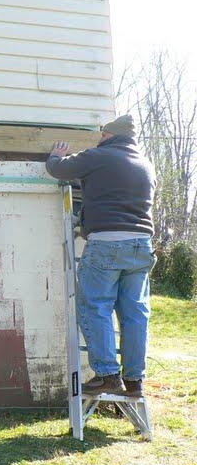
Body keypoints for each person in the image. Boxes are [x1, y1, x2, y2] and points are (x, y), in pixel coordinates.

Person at [46, 115, 156, 397]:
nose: (98, 138)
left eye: (101, 134)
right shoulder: (146, 164)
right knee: (135, 315)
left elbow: (60, 170)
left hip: (107, 243)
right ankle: (135, 381)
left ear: (108, 135)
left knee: (95, 307)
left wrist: (56, 157)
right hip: (142, 246)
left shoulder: (99, 156)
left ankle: (107, 375)